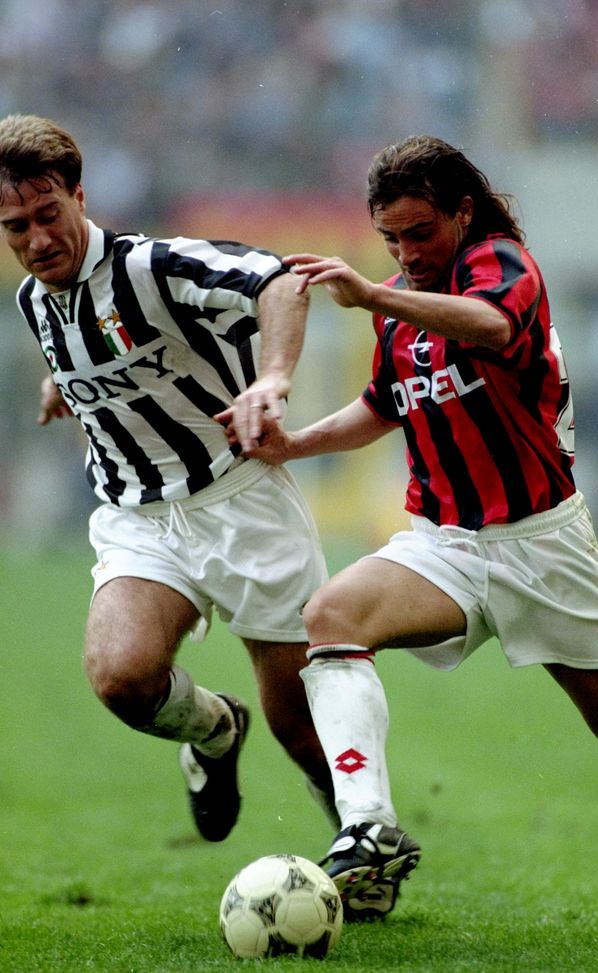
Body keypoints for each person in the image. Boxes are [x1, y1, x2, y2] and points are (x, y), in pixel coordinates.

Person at [231, 135, 598, 920]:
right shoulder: (399, 318)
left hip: (543, 545)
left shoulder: (502, 264)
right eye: (390, 239)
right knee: (329, 616)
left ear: (461, 213)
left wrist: (374, 295)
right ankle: (370, 831)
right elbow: (383, 405)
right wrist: (297, 443)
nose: (405, 253)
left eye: (420, 232)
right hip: (443, 542)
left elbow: (491, 327)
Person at [0, 112, 337, 845]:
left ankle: (362, 839)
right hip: (140, 518)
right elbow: (94, 354)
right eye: (15, 227)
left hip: (239, 495)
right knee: (121, 676)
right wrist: (66, 386)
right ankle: (216, 731)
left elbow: (280, 282)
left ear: (79, 194)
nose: (36, 240)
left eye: (47, 215)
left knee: (301, 727)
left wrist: (273, 378)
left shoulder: (153, 265)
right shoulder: (34, 301)